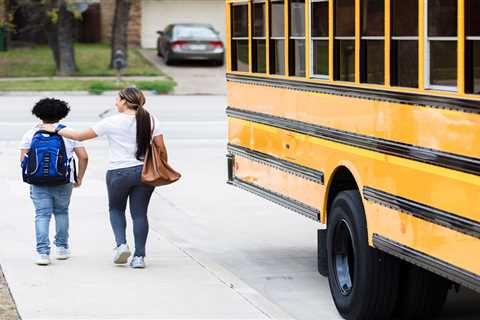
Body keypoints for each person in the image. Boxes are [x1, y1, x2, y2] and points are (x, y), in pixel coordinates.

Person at [42, 87, 163, 269]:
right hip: (144, 173)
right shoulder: (151, 120)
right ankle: (139, 257)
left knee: (116, 209)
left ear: (124, 101)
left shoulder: (112, 122)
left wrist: (55, 129)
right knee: (139, 214)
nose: (115, 102)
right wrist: (159, 168)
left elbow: (80, 136)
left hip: (118, 173)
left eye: (117, 99)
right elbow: (161, 148)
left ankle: (121, 245)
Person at [20, 98, 89, 266]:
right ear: (62, 115)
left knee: (42, 215)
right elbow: (84, 157)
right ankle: (62, 248)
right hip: (63, 180)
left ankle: (43, 253)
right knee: (61, 212)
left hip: (37, 181)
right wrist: (79, 177)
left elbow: (23, 161)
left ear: (38, 114)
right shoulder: (69, 133)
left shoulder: (31, 133)